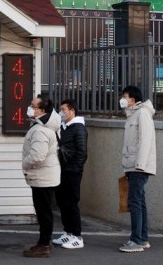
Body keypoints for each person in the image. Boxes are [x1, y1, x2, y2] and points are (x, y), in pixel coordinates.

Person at [21, 95, 61, 258]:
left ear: (42, 110)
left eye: (33, 106)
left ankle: (44, 244)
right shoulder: (43, 127)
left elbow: (38, 156)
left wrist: (25, 164)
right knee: (44, 212)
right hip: (45, 176)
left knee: (43, 213)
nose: (30, 108)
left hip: (43, 177)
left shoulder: (41, 130)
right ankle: (43, 242)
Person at [119, 85, 156, 253]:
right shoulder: (133, 115)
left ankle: (136, 240)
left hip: (138, 166)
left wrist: (139, 165)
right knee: (139, 202)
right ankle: (142, 238)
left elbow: (145, 140)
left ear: (133, 99)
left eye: (125, 96)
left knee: (135, 202)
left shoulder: (142, 114)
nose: (123, 100)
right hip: (134, 165)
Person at [53, 98, 88, 250]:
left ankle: (77, 236)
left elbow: (82, 152)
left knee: (72, 203)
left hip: (72, 171)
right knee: (62, 202)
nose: (61, 112)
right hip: (61, 170)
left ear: (72, 111)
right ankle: (67, 231)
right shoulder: (63, 127)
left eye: (63, 110)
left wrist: (75, 169)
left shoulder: (78, 128)